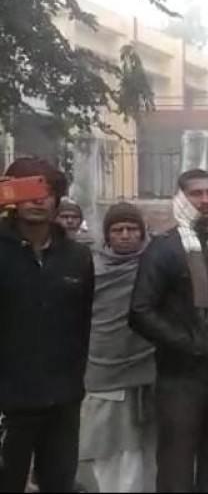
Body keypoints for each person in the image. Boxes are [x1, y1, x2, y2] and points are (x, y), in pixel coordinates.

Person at [130, 169, 208, 492]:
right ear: (181, 198)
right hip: (180, 375)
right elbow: (140, 312)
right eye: (197, 194)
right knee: (176, 460)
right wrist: (187, 343)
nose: (206, 200)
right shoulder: (164, 248)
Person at [0, 159, 94, 493]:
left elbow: (82, 324)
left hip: (62, 399)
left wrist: (73, 381)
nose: (38, 199)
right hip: (8, 401)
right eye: (28, 189)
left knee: (59, 483)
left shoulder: (77, 257)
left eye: (47, 191)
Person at [80, 202, 155, 493]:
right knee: (106, 442)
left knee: (146, 442)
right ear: (107, 235)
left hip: (149, 365)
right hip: (103, 365)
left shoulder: (154, 265)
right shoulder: (91, 268)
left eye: (132, 229)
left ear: (142, 232)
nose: (125, 235)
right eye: (117, 229)